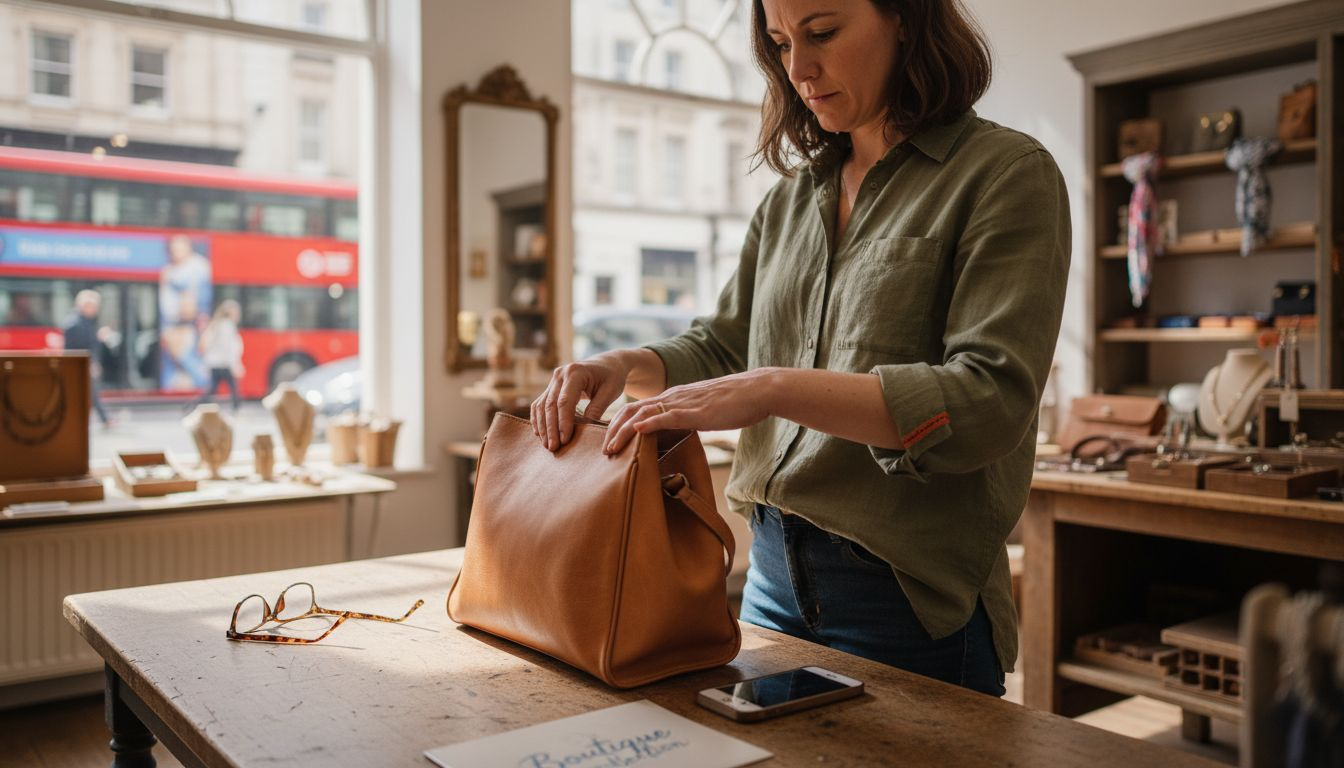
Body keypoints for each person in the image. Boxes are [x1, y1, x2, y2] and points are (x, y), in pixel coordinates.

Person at [533, 0, 1070, 697]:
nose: (799, 70)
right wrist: (622, 365)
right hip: (767, 582)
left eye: (822, 33)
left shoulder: (1006, 175)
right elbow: (725, 346)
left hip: (905, 600)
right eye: (781, 44)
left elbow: (989, 401)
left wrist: (776, 388)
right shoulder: (788, 201)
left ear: (905, 17)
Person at [61, 289, 114, 428]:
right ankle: (103, 419)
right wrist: (98, 339)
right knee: (89, 392)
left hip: (85, 363)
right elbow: (79, 347)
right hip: (80, 365)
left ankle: (100, 419)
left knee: (89, 392)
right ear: (84, 306)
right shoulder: (75, 324)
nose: (95, 310)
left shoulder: (84, 321)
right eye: (93, 306)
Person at [193, 299, 244, 412]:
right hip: (223, 363)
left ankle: (196, 405)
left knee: (213, 388)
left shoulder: (217, 323)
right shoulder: (227, 325)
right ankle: (236, 409)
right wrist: (234, 364)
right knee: (232, 388)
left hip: (215, 362)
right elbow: (228, 347)